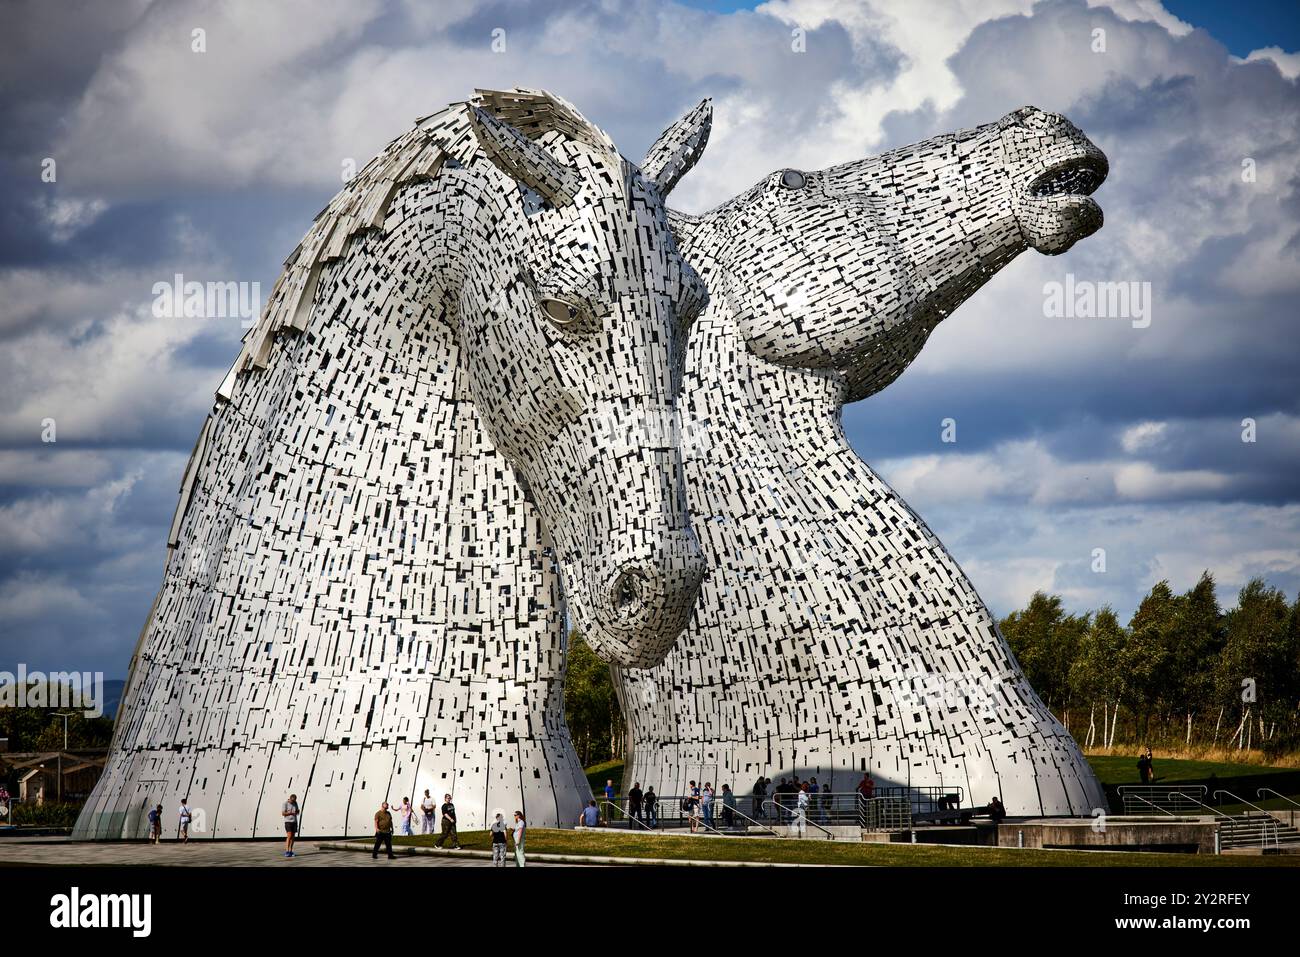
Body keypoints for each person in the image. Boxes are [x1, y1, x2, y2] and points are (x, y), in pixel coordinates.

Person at [282, 793, 300, 857]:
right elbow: (283, 813)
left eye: (294, 800)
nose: (293, 802)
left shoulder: (295, 803)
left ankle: (290, 851)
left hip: (294, 821)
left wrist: (297, 811)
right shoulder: (285, 803)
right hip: (288, 821)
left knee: (293, 837)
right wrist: (290, 813)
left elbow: (297, 812)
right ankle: (287, 851)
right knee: (289, 835)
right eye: (292, 801)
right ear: (290, 798)